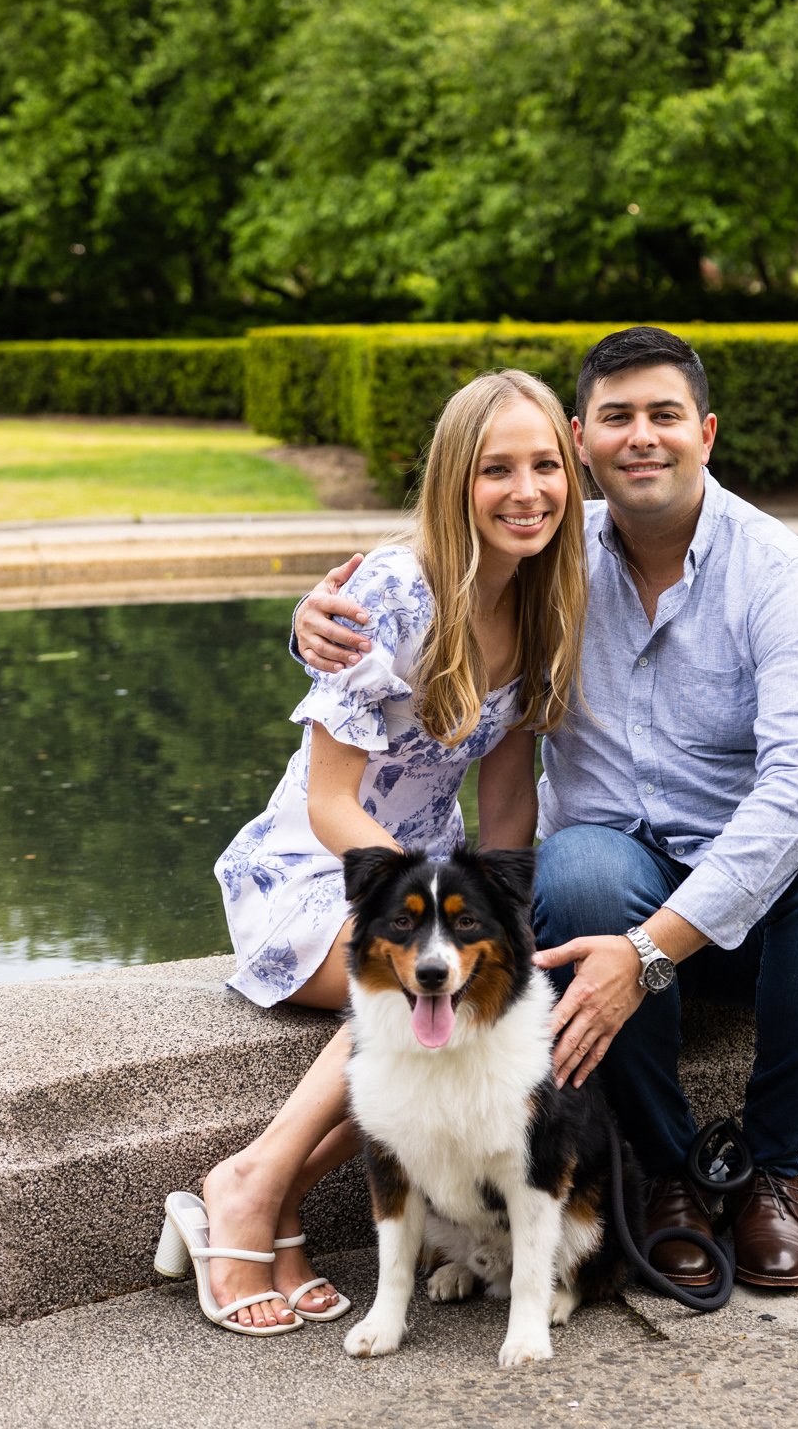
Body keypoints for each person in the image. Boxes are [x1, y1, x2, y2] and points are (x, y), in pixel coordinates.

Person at [294, 326, 798, 1293]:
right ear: (582, 438)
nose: (641, 437)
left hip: (751, 915)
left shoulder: (783, 576)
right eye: (615, 417)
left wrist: (653, 950)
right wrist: (315, 620)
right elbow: (435, 580)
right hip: (606, 890)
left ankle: (771, 1174)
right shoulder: (550, 547)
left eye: (665, 415)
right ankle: (667, 1172)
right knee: (576, 866)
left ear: (705, 431)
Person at [167, 370, 587, 1335]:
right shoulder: (394, 594)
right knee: (416, 1001)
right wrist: (427, 904)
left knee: (469, 1014)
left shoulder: (541, 600)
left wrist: (501, 928)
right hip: (320, 869)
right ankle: (248, 1185)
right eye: (495, 470)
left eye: (542, 467)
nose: (525, 492)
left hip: (427, 883)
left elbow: (508, 793)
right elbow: (324, 803)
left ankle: (268, 1220)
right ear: (453, 481)